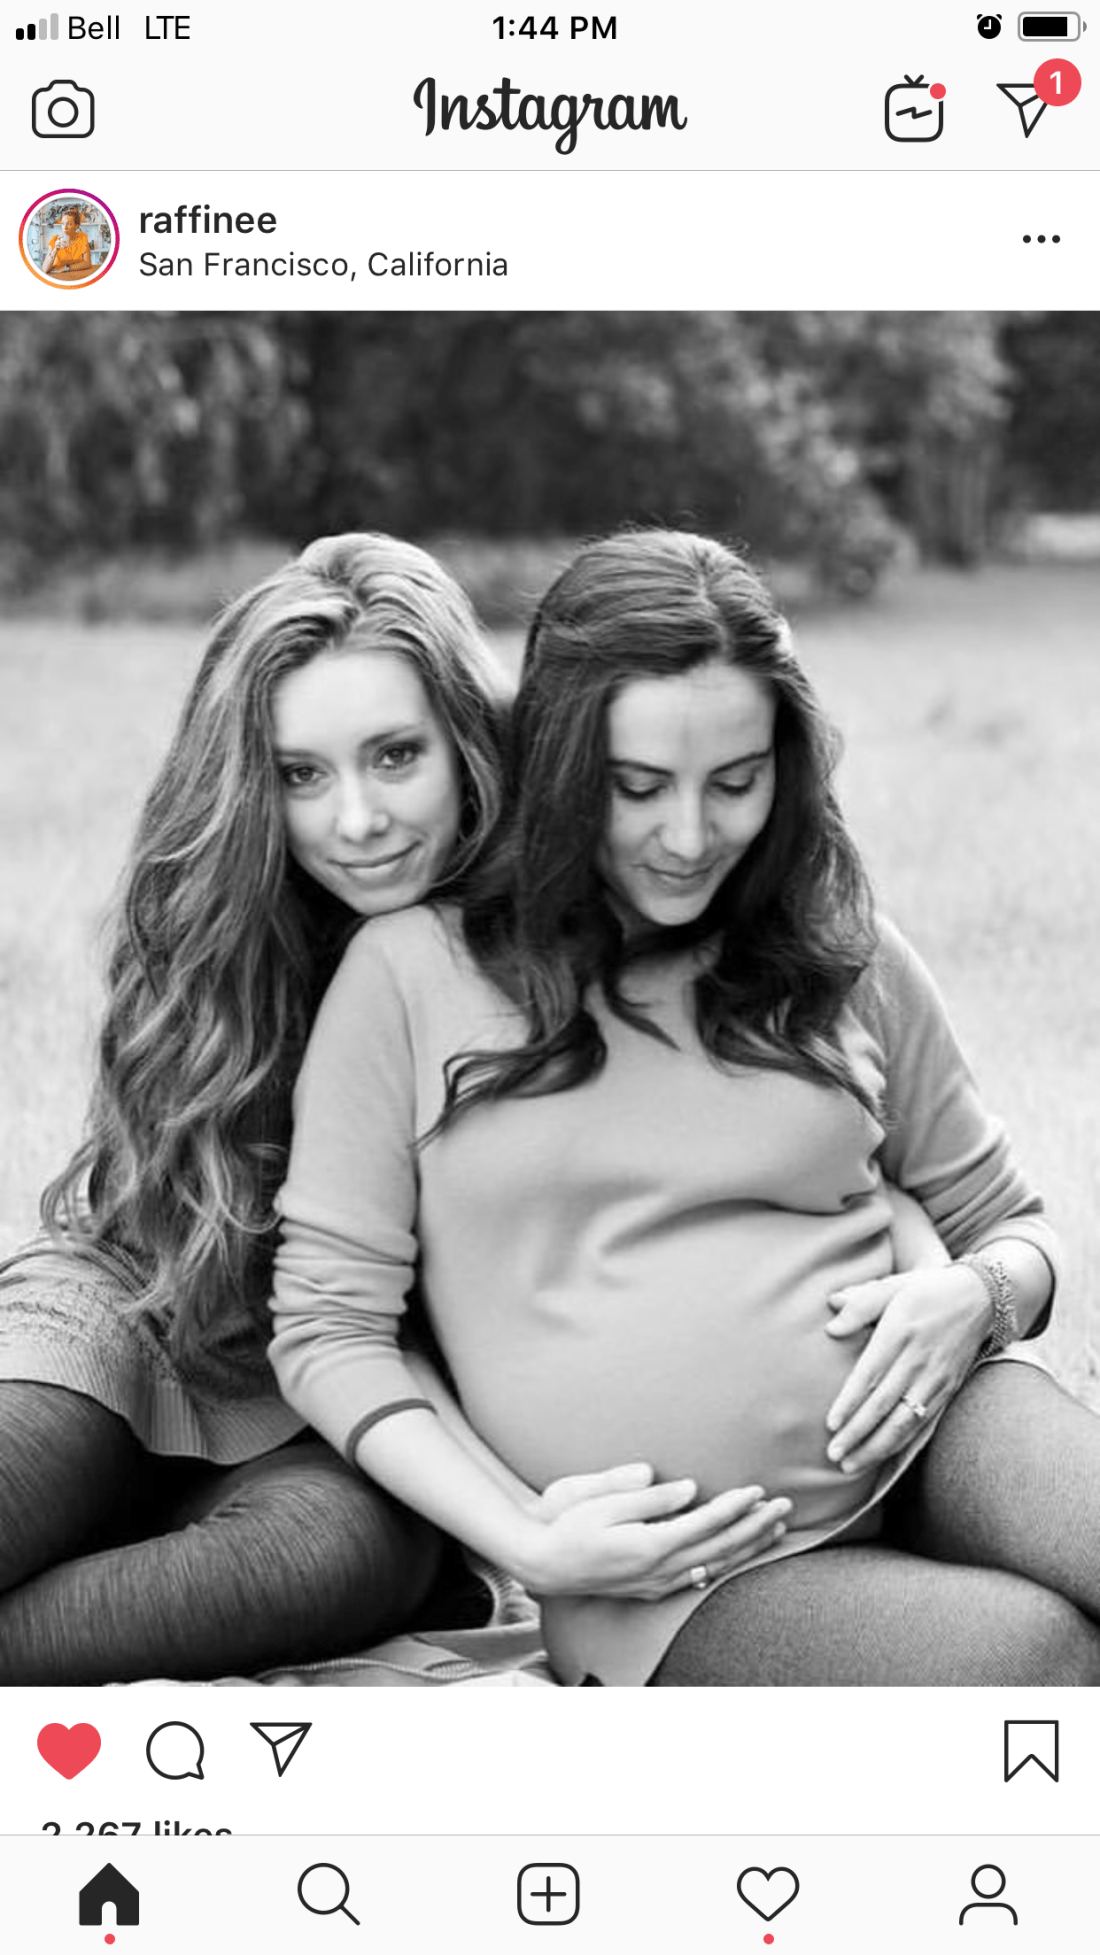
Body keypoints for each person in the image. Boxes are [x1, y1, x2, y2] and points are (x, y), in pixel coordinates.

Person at [272, 528, 1100, 1688]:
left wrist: (976, 1293)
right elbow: (328, 1330)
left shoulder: (839, 948)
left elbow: (1012, 1226)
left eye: (735, 780)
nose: (688, 835)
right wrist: (526, 1542)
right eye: (636, 786)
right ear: (560, 761)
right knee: (1044, 1662)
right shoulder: (410, 974)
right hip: (680, 1580)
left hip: (946, 1428)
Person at [0, 532, 513, 1684]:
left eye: (395, 756)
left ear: (468, 744)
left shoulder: (541, 943)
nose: (356, 820)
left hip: (358, 1399)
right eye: (300, 774)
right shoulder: (220, 921)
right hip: (149, 1303)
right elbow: (164, 1228)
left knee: (324, 1554)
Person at [43, 208, 93, 279]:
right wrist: (55, 250)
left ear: (76, 226)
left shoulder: (82, 238)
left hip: (77, 276)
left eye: (68, 224)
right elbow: (45, 269)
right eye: (63, 223)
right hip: (58, 277)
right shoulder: (55, 240)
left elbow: (87, 263)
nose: (65, 227)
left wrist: (66, 268)